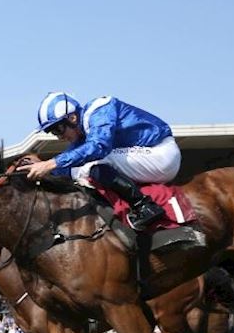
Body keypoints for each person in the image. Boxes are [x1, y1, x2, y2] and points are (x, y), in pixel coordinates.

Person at [19, 92, 181, 231]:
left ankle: (144, 206)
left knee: (96, 161)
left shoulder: (99, 110)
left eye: (58, 129)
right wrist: (41, 166)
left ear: (72, 118)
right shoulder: (82, 132)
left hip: (161, 153)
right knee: (80, 167)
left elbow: (99, 147)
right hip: (145, 158)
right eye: (53, 132)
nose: (59, 137)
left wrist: (49, 164)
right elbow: (68, 163)